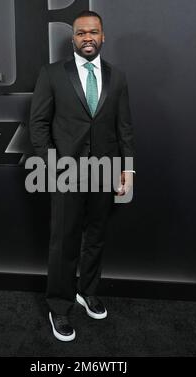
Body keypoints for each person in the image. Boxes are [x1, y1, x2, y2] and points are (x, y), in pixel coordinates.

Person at [30, 10, 135, 341]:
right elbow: (38, 124)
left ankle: (87, 291)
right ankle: (59, 307)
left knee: (96, 236)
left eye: (94, 32)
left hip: (104, 171)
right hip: (66, 172)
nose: (87, 37)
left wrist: (127, 168)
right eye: (81, 32)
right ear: (72, 38)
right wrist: (52, 164)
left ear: (103, 37)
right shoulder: (51, 74)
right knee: (64, 241)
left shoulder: (117, 77)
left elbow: (124, 128)